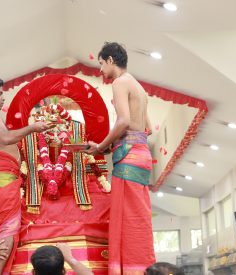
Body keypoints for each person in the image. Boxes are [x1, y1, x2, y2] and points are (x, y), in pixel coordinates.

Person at [84, 42, 155, 274]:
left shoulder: (120, 82)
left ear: (111, 60)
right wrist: (108, 146)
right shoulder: (139, 87)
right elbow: (149, 128)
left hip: (129, 156)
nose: (101, 70)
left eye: (102, 64)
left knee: (126, 220)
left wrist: (101, 147)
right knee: (139, 217)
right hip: (142, 154)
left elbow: (123, 121)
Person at [0, 75, 51, 275]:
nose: (3, 97)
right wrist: (34, 127)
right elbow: (6, 138)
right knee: (8, 227)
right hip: (0, 176)